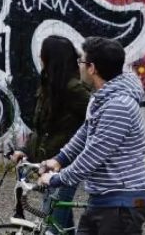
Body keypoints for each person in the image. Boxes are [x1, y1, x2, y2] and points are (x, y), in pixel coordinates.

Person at [38, 36, 145, 235]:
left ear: (92, 68)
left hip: (121, 203)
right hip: (103, 198)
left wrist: (57, 179)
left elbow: (93, 155)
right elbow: (85, 133)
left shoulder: (119, 105)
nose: (79, 67)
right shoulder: (102, 98)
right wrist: (59, 159)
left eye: (82, 62)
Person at [10, 35, 92, 233]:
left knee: (51, 223)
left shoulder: (73, 89)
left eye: (43, 55)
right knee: (61, 223)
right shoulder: (50, 84)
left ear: (51, 58)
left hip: (64, 165)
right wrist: (24, 150)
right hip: (49, 163)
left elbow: (96, 121)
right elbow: (42, 130)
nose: (40, 58)